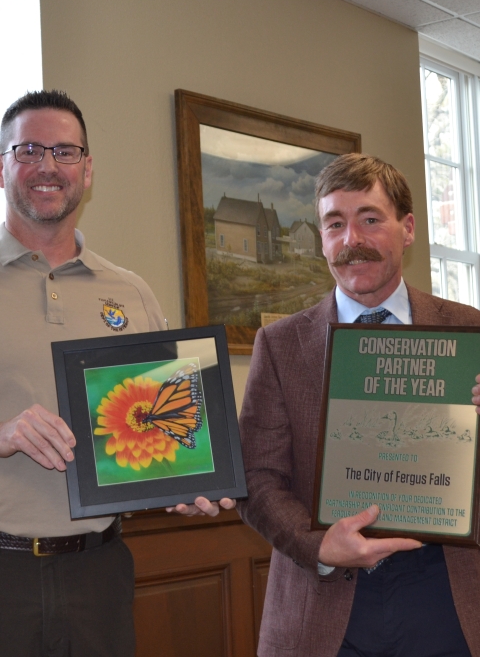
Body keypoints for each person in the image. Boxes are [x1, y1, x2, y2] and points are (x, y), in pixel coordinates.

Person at [0, 89, 231, 657]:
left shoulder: (130, 292)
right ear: (1, 164)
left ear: (88, 168)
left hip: (99, 572)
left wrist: (185, 480)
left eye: (65, 151)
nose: (48, 166)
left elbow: (165, 422)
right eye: (28, 150)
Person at [237, 153, 480, 657]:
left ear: (407, 228)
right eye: (335, 224)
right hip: (323, 602)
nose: (352, 241)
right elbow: (257, 478)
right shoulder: (280, 345)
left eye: (370, 219)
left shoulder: (471, 332)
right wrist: (318, 545)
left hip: (449, 594)